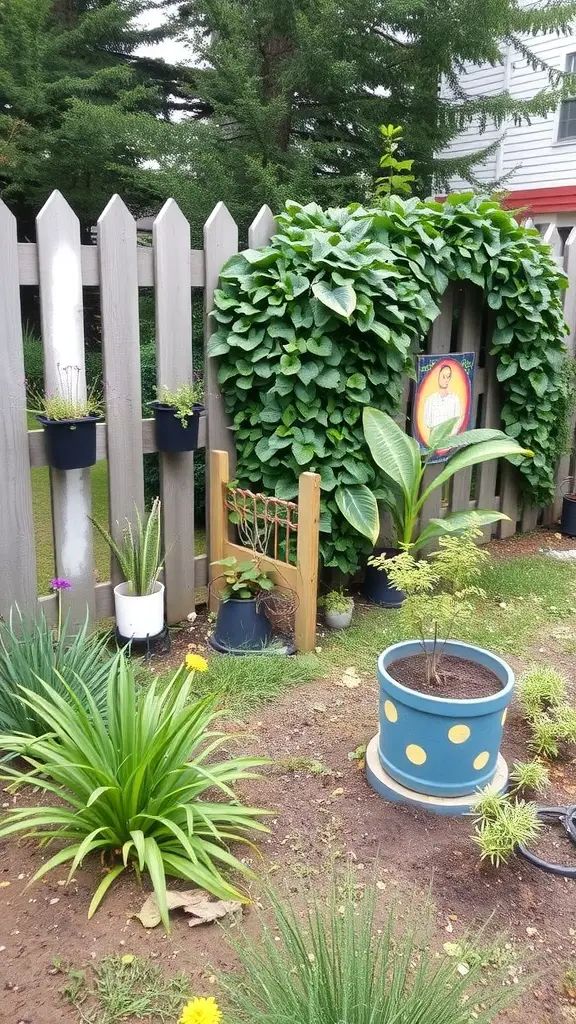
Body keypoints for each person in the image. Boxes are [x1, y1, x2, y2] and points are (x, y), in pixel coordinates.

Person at [422, 363, 461, 435]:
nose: (446, 380)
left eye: (448, 377)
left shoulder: (455, 399)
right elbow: (427, 422)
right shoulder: (430, 400)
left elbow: (457, 422)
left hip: (449, 440)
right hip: (434, 441)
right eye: (443, 377)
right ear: (438, 377)